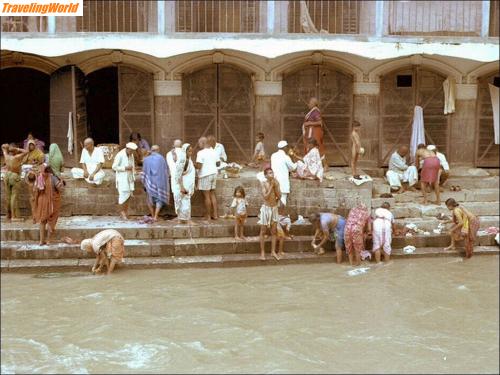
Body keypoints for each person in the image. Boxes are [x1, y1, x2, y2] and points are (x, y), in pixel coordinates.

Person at [33, 165, 64, 245]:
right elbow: (60, 188)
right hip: (52, 203)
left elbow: (34, 189)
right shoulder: (53, 178)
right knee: (51, 221)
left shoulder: (39, 178)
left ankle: (41, 241)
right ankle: (49, 240)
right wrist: (61, 183)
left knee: (42, 221)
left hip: (41, 202)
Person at [258, 167, 281, 261]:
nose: (271, 174)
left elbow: (279, 196)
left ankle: (273, 252)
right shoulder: (263, 184)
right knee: (263, 231)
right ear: (266, 175)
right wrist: (271, 186)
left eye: (272, 172)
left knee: (274, 231)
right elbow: (266, 197)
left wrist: (275, 186)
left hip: (274, 209)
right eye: (269, 173)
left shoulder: (276, 183)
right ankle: (262, 252)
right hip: (266, 209)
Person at [142, 145, 169, 222]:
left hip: (150, 182)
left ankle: (153, 215)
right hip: (160, 181)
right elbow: (165, 170)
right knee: (159, 199)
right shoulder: (162, 158)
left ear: (151, 150)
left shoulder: (146, 159)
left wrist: (144, 181)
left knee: (149, 199)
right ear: (158, 150)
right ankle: (156, 216)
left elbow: (144, 171)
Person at [2, 143, 28, 221]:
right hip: (14, 176)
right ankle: (14, 216)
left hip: (7, 175)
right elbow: (26, 151)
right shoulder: (16, 157)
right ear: (14, 150)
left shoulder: (6, 156)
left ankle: (8, 215)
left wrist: (7, 147)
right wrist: (17, 149)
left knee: (8, 196)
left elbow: (3, 147)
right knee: (13, 196)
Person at [196, 136, 219, 220]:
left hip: (205, 175)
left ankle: (208, 216)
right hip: (214, 173)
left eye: (199, 143)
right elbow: (218, 164)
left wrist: (193, 165)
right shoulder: (214, 151)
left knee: (206, 196)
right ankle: (215, 215)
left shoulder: (200, 153)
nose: (199, 145)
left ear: (202, 143)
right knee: (212, 194)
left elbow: (199, 166)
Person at [112, 142, 137, 220]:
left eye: (133, 151)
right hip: (122, 178)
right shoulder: (120, 155)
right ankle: (122, 213)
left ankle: (125, 212)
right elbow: (114, 167)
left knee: (128, 195)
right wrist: (125, 168)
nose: (132, 152)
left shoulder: (131, 155)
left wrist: (134, 171)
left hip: (129, 178)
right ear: (127, 148)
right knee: (122, 196)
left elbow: (132, 165)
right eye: (131, 150)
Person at [172, 143, 196, 224]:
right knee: (184, 202)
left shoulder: (188, 160)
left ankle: (183, 219)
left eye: (191, 151)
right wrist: (181, 187)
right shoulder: (183, 161)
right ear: (185, 151)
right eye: (189, 151)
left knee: (185, 202)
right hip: (183, 185)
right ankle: (185, 220)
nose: (190, 153)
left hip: (187, 184)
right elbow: (179, 175)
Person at [271, 140, 297, 206]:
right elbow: (293, 167)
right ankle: (281, 215)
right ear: (285, 148)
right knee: (282, 199)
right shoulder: (286, 157)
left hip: (274, 180)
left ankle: (274, 215)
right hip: (283, 181)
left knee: (274, 200)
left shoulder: (273, 155)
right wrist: (297, 163)